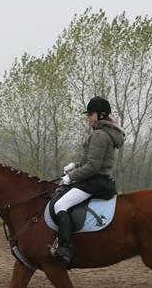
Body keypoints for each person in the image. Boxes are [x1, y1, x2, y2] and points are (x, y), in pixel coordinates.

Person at [50, 96, 126, 265]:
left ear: (101, 115)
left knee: (60, 205)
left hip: (95, 182)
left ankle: (66, 248)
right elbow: (91, 162)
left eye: (90, 114)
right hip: (98, 179)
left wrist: (71, 177)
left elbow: (92, 167)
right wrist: (74, 166)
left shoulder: (100, 134)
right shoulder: (104, 133)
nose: (88, 117)